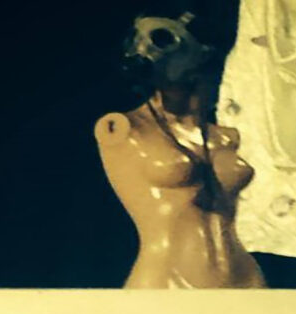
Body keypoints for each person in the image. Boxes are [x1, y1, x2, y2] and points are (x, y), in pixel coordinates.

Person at [95, 11, 267, 289]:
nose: (144, 50)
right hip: (164, 278)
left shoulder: (225, 137)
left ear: (204, 52)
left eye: (161, 39)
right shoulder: (125, 128)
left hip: (241, 276)